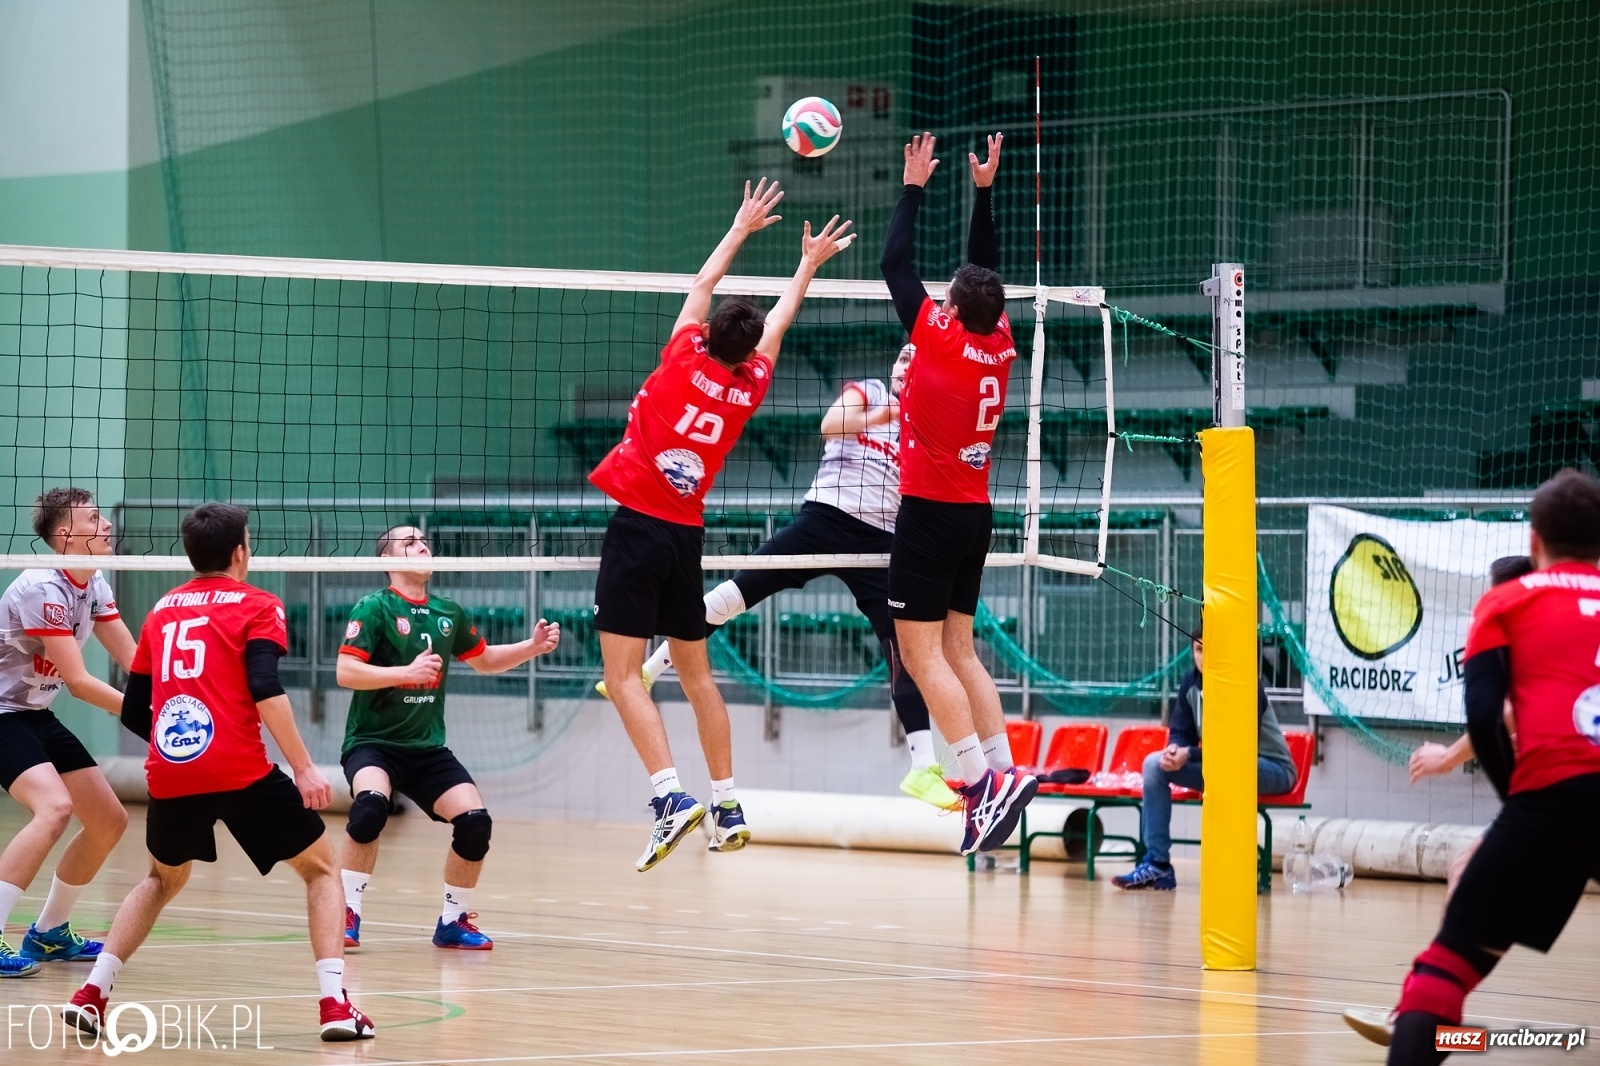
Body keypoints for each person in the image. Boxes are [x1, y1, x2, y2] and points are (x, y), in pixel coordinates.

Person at [590, 178, 853, 871]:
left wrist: (740, 226)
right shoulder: (751, 383)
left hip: (639, 527)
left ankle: (672, 798)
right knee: (697, 675)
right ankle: (728, 802)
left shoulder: (681, 357)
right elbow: (781, 322)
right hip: (685, 537)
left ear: (704, 336)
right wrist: (807, 264)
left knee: (623, 678)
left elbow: (705, 280)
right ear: (749, 349)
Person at [63, 504, 374, 1042]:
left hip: (172, 768)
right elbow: (265, 686)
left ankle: (93, 992)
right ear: (240, 552)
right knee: (322, 870)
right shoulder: (259, 605)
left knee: (161, 878)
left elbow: (137, 710)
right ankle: (334, 1006)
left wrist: (184, 742)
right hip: (240, 767)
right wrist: (303, 767)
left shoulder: (163, 610)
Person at [622, 342, 958, 810]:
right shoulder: (873, 392)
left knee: (907, 652)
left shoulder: (931, 422)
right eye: (902, 357)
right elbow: (830, 424)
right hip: (827, 518)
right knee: (741, 591)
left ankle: (923, 769)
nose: (905, 364)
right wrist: (892, 414)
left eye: (915, 359)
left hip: (882, 542)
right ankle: (648, 670)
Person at [1368, 470, 1600, 1065]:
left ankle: (1429, 1015)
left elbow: (1487, 715)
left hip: (1551, 796)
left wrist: (1518, 805)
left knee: (1447, 961)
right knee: (1462, 866)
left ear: (1535, 542)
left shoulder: (1507, 603)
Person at [878, 130, 1037, 855]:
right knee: (961, 647)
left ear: (951, 307)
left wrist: (914, 185)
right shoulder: (999, 340)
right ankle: (1005, 768)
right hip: (975, 513)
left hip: (931, 513)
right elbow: (985, 273)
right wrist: (983, 191)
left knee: (920, 655)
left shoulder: (939, 337)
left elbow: (892, 263)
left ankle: (976, 786)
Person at [336, 525, 560, 951]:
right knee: (370, 809)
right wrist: (405, 673)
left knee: (476, 824)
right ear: (388, 561)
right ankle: (346, 912)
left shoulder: (447, 611)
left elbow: (486, 660)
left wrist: (531, 647)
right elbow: (345, 673)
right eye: (409, 543)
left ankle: (453, 921)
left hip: (426, 749)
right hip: (373, 744)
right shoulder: (374, 607)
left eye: (424, 540)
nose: (422, 545)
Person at [1343, 555, 1531, 1047]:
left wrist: (1447, 758)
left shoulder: (1525, 637)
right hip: (1553, 805)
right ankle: (1426, 1007)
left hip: (1564, 807)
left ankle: (1424, 1010)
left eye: (1490, 594)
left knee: (1469, 875)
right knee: (1465, 869)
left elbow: (1507, 712)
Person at [0, 488, 135, 975]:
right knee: (54, 808)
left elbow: (135, 664)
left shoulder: (93, 581)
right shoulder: (42, 587)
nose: (105, 526)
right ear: (65, 534)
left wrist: (179, 697)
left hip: (34, 713)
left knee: (108, 819)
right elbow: (78, 682)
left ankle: (49, 934)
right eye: (93, 518)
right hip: (1, 714)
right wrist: (148, 715)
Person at [1112, 622, 1297, 891]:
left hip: (1272, 769)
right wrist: (1176, 750)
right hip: (1220, 764)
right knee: (1154, 764)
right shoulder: (1191, 683)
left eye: (1210, 650)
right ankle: (1158, 865)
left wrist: (1191, 754)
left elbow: (1238, 747)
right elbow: (1180, 731)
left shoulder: (1244, 684)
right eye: (1199, 650)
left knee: (1228, 768)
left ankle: (1240, 868)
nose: (1203, 657)